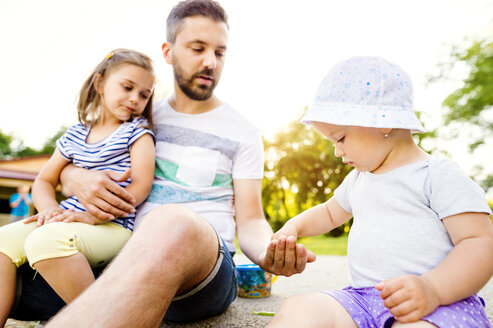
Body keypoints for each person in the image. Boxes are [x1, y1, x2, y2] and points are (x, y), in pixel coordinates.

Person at [44, 0, 315, 327]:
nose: (210, 62)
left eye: (220, 52)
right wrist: (72, 176)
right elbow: (79, 157)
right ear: (169, 52)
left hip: (207, 273)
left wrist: (266, 251)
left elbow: (252, 218)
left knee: (174, 222)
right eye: (197, 48)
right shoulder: (135, 118)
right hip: (125, 257)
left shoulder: (242, 132)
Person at [266, 56, 493, 328]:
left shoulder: (437, 174)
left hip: (437, 304)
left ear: (384, 122)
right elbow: (328, 213)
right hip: (362, 300)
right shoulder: (358, 180)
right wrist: (291, 228)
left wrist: (433, 289)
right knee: (300, 308)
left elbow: (479, 242)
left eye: (340, 138)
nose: (337, 151)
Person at [0, 48, 156, 326]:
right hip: (67, 219)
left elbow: (141, 187)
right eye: (127, 87)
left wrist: (94, 216)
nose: (135, 98)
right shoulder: (74, 134)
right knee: (2, 242)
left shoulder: (138, 133)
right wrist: (48, 209)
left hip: (113, 225)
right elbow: (44, 180)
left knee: (47, 241)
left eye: (144, 94)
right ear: (99, 84)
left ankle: (107, 322)